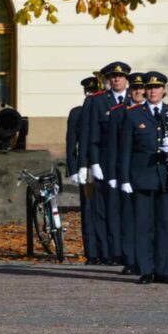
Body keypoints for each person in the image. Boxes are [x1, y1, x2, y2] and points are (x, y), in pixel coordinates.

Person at [118, 71, 168, 285]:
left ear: (164, 90)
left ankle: (164, 270)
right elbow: (125, 150)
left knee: (167, 225)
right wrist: (124, 179)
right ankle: (146, 269)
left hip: (167, 178)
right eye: (149, 88)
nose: (153, 91)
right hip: (143, 177)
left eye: (157, 87)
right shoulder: (133, 114)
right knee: (144, 225)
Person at [83, 61, 131, 265]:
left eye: (120, 76)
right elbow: (91, 133)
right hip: (104, 160)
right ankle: (111, 252)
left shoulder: (135, 99)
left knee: (127, 209)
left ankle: (127, 251)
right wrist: (93, 162)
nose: (116, 79)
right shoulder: (98, 101)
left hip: (129, 162)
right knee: (107, 209)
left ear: (127, 79)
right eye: (113, 76)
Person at [110, 72, 147, 275]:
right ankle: (130, 259)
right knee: (128, 219)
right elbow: (115, 146)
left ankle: (145, 259)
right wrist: (116, 175)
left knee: (145, 220)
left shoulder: (150, 111)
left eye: (141, 89)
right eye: (135, 88)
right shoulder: (118, 112)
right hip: (126, 171)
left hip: (146, 171)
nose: (138, 92)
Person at [67, 76, 100, 261]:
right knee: (88, 211)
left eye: (94, 93)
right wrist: (73, 169)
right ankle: (92, 252)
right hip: (86, 167)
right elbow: (71, 142)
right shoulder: (77, 113)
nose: (91, 96)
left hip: (105, 167)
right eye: (88, 93)